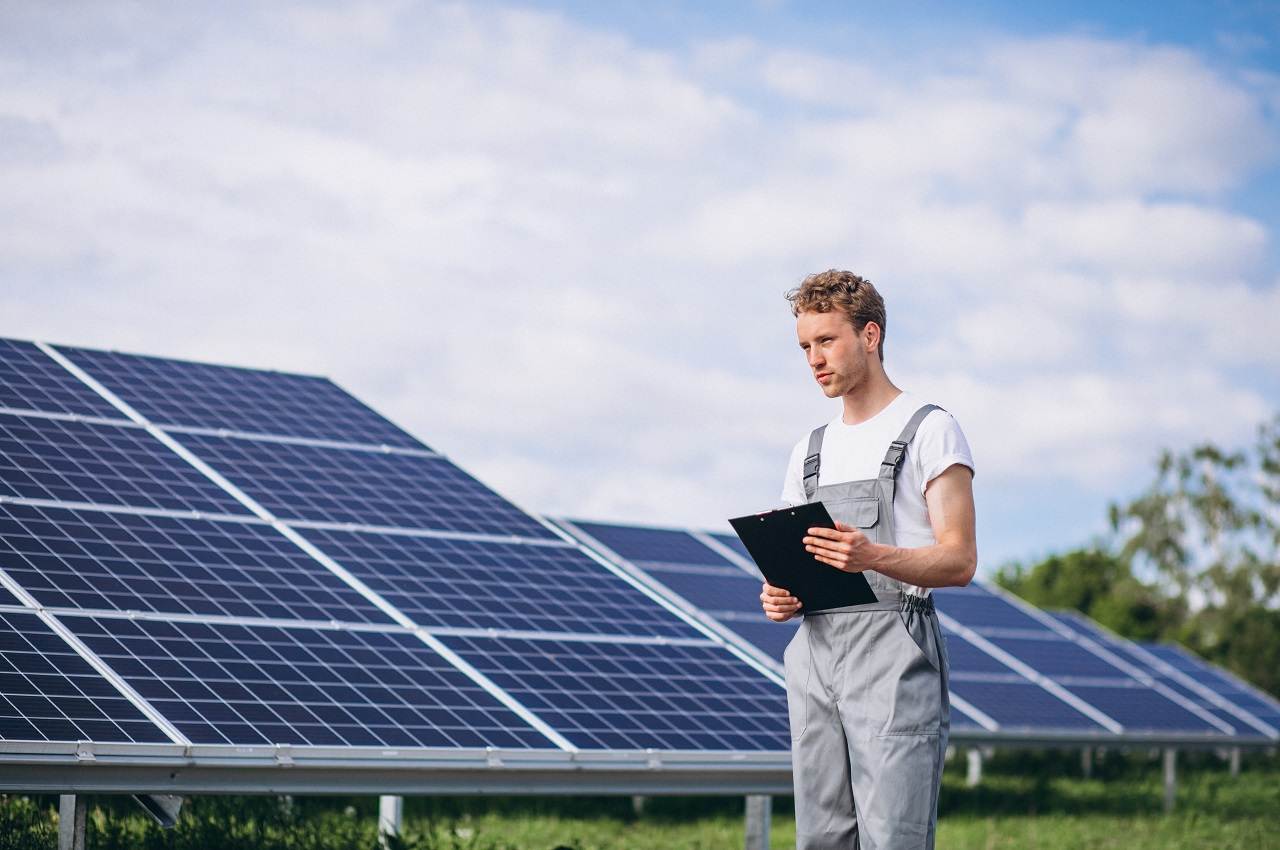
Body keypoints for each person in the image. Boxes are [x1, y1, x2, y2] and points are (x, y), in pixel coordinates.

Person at [759, 269, 977, 850]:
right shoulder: (808, 450)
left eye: (826, 341)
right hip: (814, 651)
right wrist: (780, 594)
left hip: (894, 647)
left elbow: (959, 560)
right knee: (821, 839)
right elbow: (792, 562)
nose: (814, 359)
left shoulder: (932, 431)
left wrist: (873, 555)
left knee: (893, 837)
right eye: (805, 347)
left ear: (870, 335)